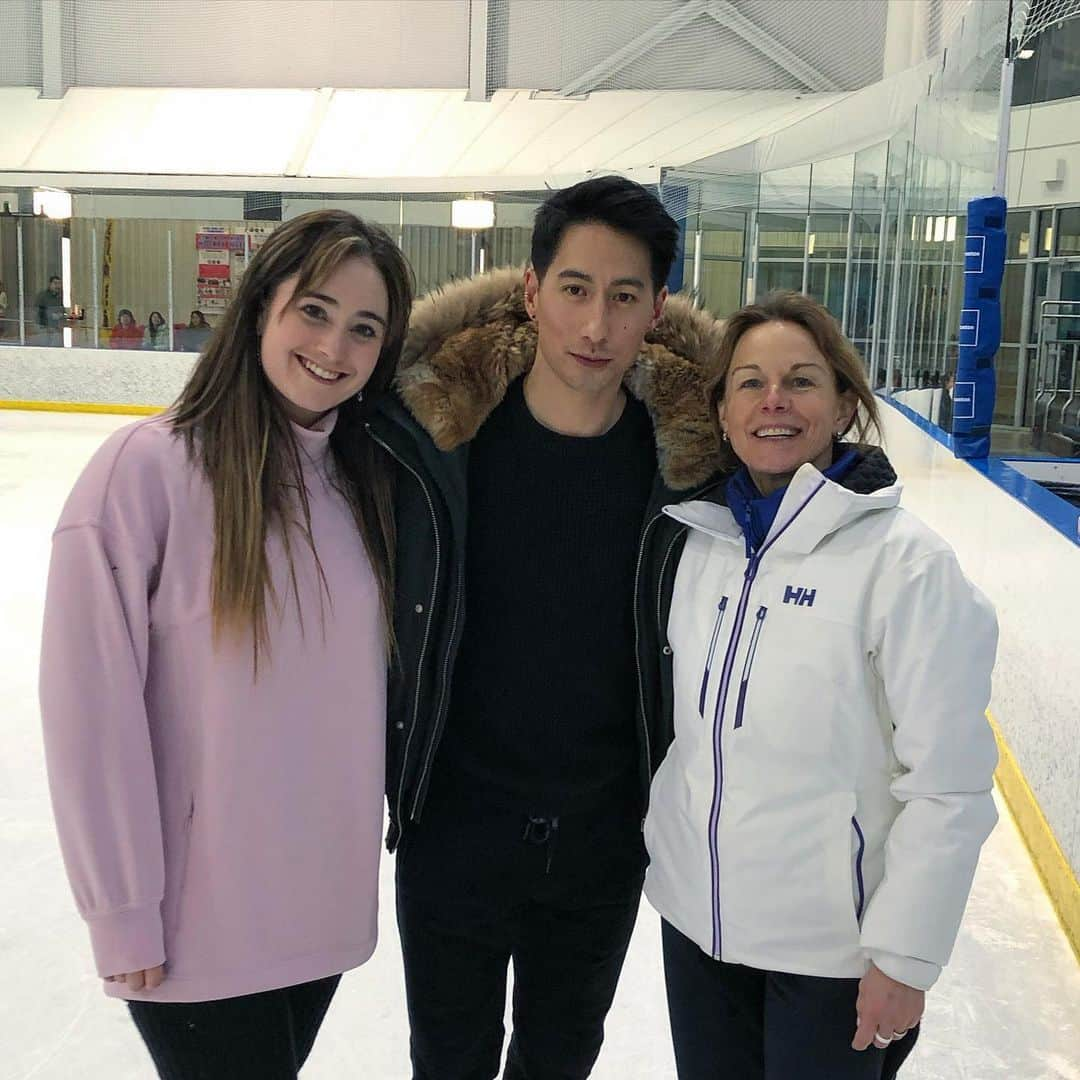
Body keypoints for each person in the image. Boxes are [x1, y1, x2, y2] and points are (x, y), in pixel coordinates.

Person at [39, 209, 413, 1079]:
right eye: (314, 311)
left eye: (365, 328)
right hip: (194, 923)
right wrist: (121, 907)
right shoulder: (145, 471)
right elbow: (89, 712)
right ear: (258, 310)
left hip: (318, 911)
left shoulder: (368, 489)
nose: (335, 346)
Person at [367, 175, 721, 1079]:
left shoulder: (688, 470)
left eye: (624, 296)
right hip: (454, 832)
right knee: (447, 1064)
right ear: (531, 291)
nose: (596, 326)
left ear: (656, 310)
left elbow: (798, 447)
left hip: (602, 842)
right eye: (574, 289)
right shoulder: (433, 444)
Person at [637, 291, 999, 1080]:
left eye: (800, 381)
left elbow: (951, 784)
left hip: (832, 956)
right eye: (749, 382)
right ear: (723, 411)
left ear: (841, 403)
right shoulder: (701, 544)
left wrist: (905, 957)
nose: (774, 401)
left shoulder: (906, 565)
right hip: (699, 928)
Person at [35, 274, 65, 344]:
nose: (57, 286)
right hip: (43, 327)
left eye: (59, 283)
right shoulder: (42, 296)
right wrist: (50, 316)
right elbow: (37, 311)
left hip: (55, 327)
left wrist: (60, 315)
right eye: (55, 283)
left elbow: (62, 310)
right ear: (50, 284)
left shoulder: (59, 298)